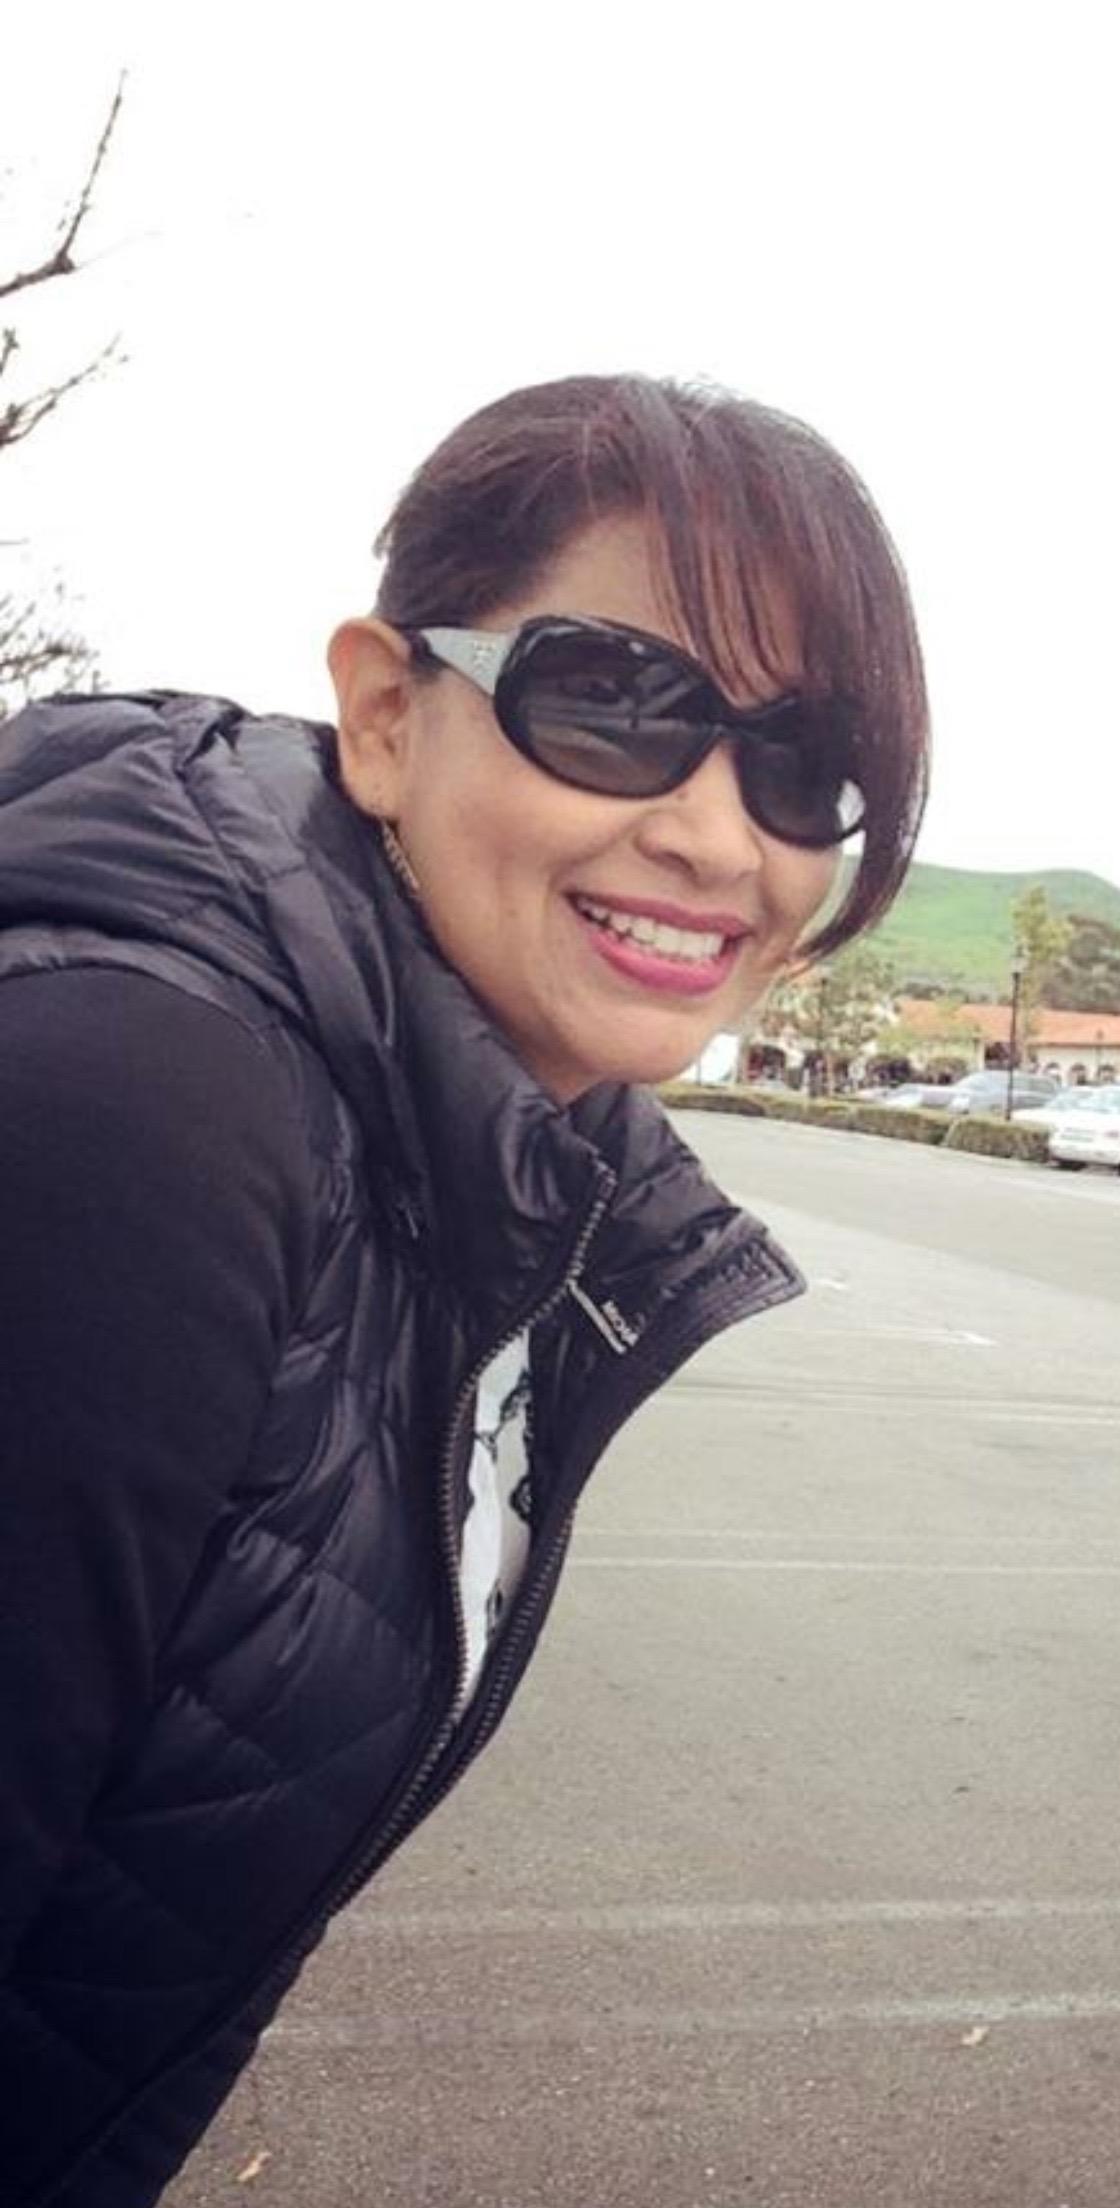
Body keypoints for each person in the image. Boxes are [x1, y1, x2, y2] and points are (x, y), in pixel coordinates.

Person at [0, 372, 928, 2206]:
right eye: (615, 702)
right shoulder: (139, 1110)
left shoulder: (490, 1162)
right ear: (380, 716)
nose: (718, 838)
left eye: (802, 764)